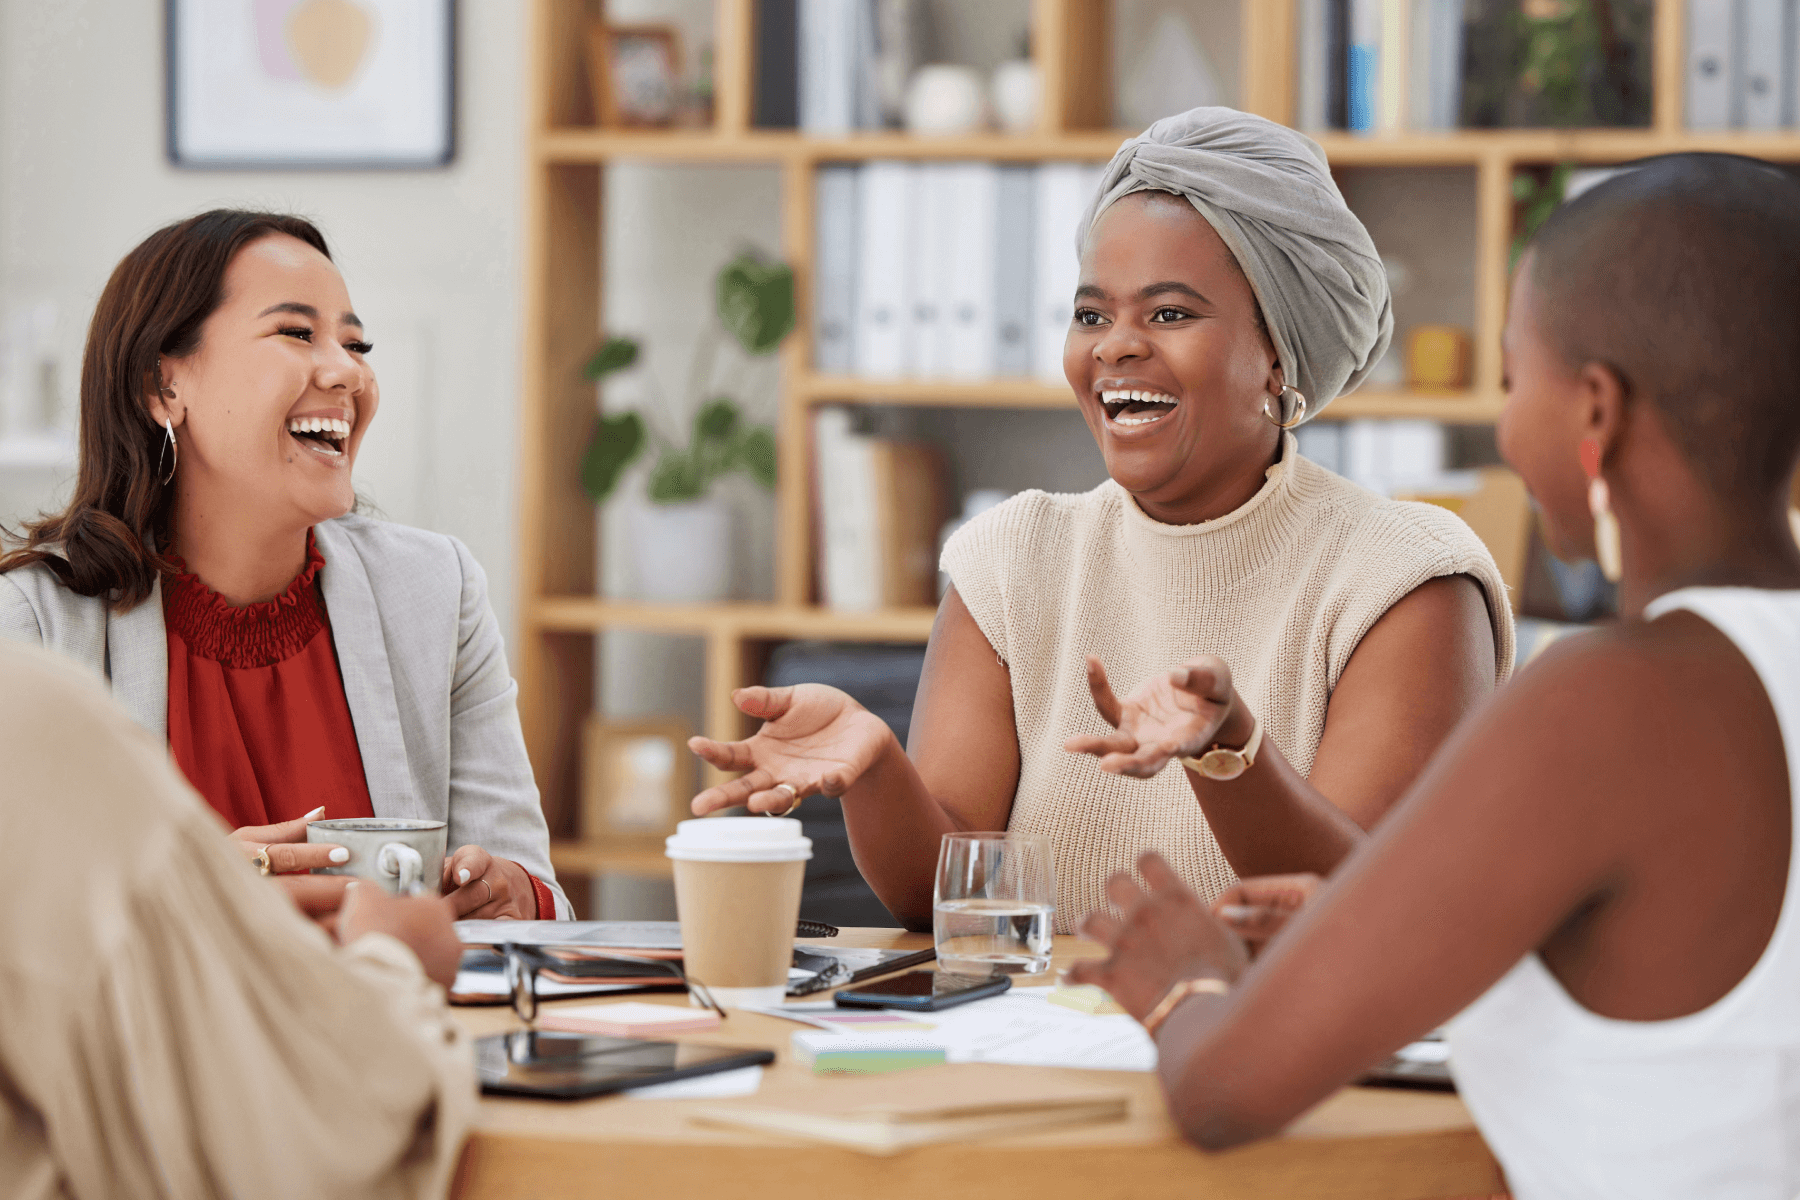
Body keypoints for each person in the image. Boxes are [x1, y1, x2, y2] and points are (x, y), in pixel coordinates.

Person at [1066, 153, 1800, 1199]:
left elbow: (1226, 1093)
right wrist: (1365, 938)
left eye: (1514, 378)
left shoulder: (1606, 699)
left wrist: (1184, 982)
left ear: (1594, 412)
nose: (1505, 427)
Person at [689, 108, 1513, 930]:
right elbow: (943, 900)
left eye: (1169, 314)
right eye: (1092, 315)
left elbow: (1363, 916)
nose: (1115, 347)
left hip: (1278, 1051)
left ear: (1277, 356)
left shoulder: (1406, 579)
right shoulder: (1013, 556)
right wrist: (876, 772)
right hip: (1039, 1052)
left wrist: (1227, 753)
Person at [0, 210, 567, 919]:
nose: (347, 371)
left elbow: (542, 897)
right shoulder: (31, 629)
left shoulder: (435, 590)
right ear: (162, 387)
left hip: (396, 1026)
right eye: (297, 333)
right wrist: (187, 895)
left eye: (356, 344)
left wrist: (513, 895)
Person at [0, 638, 474, 1199]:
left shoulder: (436, 588)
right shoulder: (39, 712)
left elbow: (534, 878)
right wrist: (394, 960)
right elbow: (284, 1144)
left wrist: (518, 891)